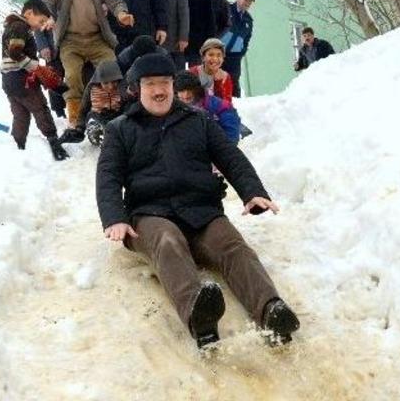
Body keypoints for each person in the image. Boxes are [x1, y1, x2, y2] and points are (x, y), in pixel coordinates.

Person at [96, 53, 300, 349]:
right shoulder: (120, 129)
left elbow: (231, 157)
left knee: (233, 246)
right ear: (136, 89)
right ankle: (198, 315)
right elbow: (108, 177)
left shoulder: (198, 120)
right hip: (150, 215)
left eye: (164, 82)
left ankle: (271, 310)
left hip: (201, 212)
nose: (159, 90)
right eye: (150, 84)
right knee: (167, 242)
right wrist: (115, 217)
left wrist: (252, 191)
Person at [43, 0, 134, 137]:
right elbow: (47, 2)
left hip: (97, 39)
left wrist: (122, 14)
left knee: (113, 72)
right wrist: (48, 16)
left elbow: (114, 0)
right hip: (71, 41)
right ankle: (75, 119)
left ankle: (116, 113)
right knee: (73, 76)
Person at [0, 0, 69, 160]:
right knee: (40, 108)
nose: (42, 25)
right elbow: (15, 52)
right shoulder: (20, 27)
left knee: (21, 115)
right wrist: (36, 67)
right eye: (41, 21)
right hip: (22, 79)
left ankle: (18, 145)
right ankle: (54, 144)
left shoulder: (13, 27)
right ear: (29, 13)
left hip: (9, 81)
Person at [33, 0, 73, 119]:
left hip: (74, 42)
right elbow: (36, 23)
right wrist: (42, 46)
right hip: (51, 44)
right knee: (54, 78)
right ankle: (59, 112)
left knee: (75, 77)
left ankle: (76, 109)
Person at [174, 71, 240, 143]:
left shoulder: (217, 105)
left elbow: (231, 133)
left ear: (196, 89)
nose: (186, 95)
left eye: (189, 90)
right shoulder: (172, 106)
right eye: (181, 91)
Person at [176, 0, 216, 68]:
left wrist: (210, 44)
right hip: (177, 46)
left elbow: (210, 20)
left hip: (198, 46)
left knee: (199, 80)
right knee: (178, 80)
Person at [153, 0, 189, 71]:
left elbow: (184, 15)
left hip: (174, 43)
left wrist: (183, 38)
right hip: (154, 42)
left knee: (177, 77)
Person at [220, 0, 255, 98]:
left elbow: (247, 39)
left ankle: (236, 108)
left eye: (250, 0)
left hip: (234, 58)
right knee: (215, 83)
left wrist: (241, 52)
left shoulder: (248, 20)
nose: (247, 2)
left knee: (234, 85)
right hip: (218, 54)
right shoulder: (226, 8)